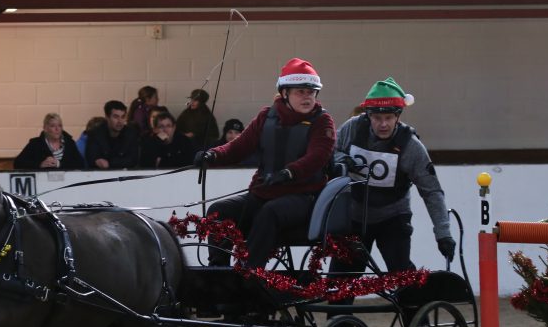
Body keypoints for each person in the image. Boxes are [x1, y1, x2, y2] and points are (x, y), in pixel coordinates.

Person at [195, 58, 336, 269]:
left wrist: (289, 173)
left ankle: (249, 273)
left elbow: (317, 157)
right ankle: (220, 272)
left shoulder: (323, 122)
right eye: (300, 91)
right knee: (218, 210)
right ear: (284, 93)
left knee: (270, 212)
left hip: (304, 198)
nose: (307, 97)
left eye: (311, 92)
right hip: (263, 192)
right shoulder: (266, 116)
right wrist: (212, 156)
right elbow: (239, 147)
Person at [330, 76, 455, 275]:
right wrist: (341, 158)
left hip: (393, 217)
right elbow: (330, 152)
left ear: (398, 116)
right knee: (340, 281)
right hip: (353, 217)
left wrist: (443, 234)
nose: (383, 124)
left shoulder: (411, 147)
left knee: (401, 274)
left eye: (389, 118)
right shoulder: (352, 128)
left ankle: (412, 301)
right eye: (377, 118)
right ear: (367, 115)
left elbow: (431, 191)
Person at [14, 113, 84, 170]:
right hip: (43, 183)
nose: (57, 129)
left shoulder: (70, 143)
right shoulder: (35, 144)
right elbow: (18, 163)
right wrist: (40, 165)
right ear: (45, 128)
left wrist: (59, 164)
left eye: (59, 126)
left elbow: (81, 164)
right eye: (53, 126)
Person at [86, 100, 140, 170]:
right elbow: (91, 157)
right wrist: (97, 161)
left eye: (123, 117)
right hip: (100, 176)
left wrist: (109, 163)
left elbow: (133, 160)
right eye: (116, 117)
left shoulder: (131, 134)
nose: (120, 121)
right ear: (107, 117)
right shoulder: (96, 134)